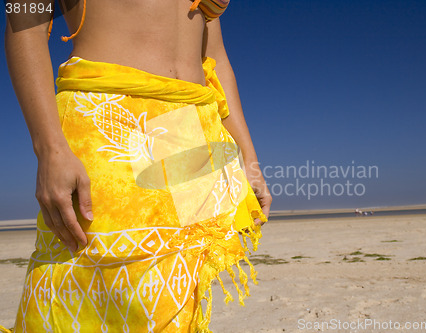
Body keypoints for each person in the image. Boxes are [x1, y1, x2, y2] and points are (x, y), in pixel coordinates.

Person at [4, 0, 272, 331]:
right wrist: (49, 148)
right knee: (82, 287)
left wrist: (249, 158)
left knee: (175, 298)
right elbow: (24, 19)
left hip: (191, 125)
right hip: (108, 112)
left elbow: (215, 57)